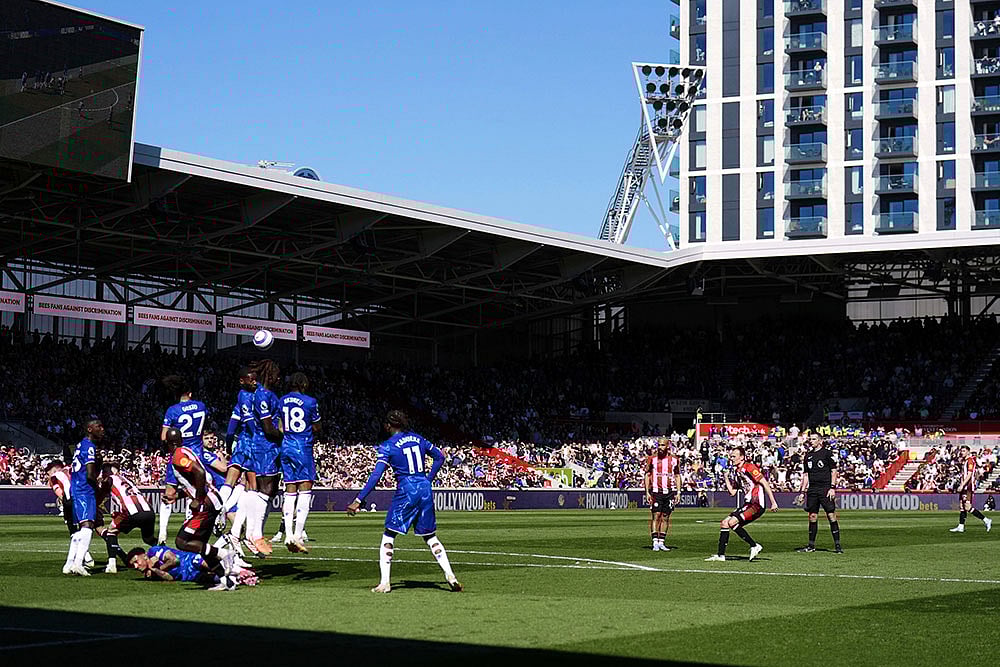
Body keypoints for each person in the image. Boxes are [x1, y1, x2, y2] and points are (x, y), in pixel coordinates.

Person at [347, 410, 462, 594]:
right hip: (424, 487)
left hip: (407, 489)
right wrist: (428, 479)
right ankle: (450, 575)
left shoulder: (388, 446)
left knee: (389, 534)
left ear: (388, 425)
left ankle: (385, 583)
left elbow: (377, 475)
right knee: (430, 536)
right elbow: (440, 457)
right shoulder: (418, 438)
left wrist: (359, 499)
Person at [164, 426, 238, 590]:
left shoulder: (178, 455)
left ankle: (224, 554)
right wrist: (178, 496)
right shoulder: (187, 451)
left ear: (168, 443)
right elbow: (194, 481)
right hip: (211, 499)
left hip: (206, 502)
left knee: (182, 541)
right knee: (201, 545)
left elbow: (200, 473)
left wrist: (197, 499)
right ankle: (226, 582)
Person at [158, 375, 227, 545]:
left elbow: (163, 436)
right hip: (198, 453)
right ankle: (204, 523)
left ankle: (162, 534)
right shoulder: (201, 406)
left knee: (169, 494)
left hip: (180, 453)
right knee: (200, 488)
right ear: (190, 393)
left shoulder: (172, 410)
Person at [706, 446, 778, 562]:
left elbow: (764, 482)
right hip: (748, 503)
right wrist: (725, 477)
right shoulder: (737, 472)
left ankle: (754, 546)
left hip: (756, 503)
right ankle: (721, 556)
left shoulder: (749, 467)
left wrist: (773, 502)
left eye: (734, 456)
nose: (732, 458)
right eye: (731, 456)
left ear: (742, 457)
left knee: (732, 522)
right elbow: (732, 492)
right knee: (725, 523)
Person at [278, 372, 321, 553]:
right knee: (305, 489)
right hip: (302, 447)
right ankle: (296, 535)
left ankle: (287, 534)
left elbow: (280, 426)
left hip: (286, 446)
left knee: (289, 489)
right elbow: (318, 426)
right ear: (304, 384)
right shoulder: (310, 401)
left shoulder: (281, 401)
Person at [246, 359, 284, 555]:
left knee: (272, 489)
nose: (279, 378)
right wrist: (286, 436)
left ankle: (255, 532)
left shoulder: (269, 394)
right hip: (264, 446)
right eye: (276, 374)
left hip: (271, 447)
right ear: (270, 375)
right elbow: (268, 428)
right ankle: (255, 534)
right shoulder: (261, 395)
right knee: (266, 488)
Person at [96, 462, 156, 573]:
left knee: (111, 532)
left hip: (131, 512)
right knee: (149, 539)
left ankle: (112, 564)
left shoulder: (109, 479)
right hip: (149, 511)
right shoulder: (127, 479)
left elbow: (100, 497)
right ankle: (162, 552)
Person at [65, 419, 103, 576]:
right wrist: (97, 487)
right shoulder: (89, 447)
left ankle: (69, 564)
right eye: (98, 427)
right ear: (89, 429)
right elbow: (89, 474)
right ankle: (79, 563)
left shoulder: (80, 445)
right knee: (88, 526)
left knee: (81, 528)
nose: (102, 429)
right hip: (84, 490)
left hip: (75, 489)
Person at [795, 435, 843, 553]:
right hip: (813, 489)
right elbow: (806, 475)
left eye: (814, 439)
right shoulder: (808, 456)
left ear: (820, 441)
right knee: (812, 516)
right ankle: (811, 546)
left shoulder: (827, 453)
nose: (811, 441)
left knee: (831, 515)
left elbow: (834, 471)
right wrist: (802, 492)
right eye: (810, 439)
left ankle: (837, 546)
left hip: (825, 488)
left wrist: (832, 487)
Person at [44, 459, 94, 572]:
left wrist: (65, 503)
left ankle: (83, 559)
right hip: (83, 497)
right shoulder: (72, 469)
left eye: (49, 472)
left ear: (55, 469)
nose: (48, 475)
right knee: (85, 528)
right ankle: (85, 559)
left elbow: (60, 494)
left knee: (73, 531)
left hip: (70, 500)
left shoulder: (54, 477)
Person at [127, 546, 257, 587]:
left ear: (143, 556)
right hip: (188, 576)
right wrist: (155, 571)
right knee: (208, 580)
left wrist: (158, 569)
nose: (136, 566)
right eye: (133, 565)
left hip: (188, 560)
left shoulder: (153, 551)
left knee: (203, 564)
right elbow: (170, 578)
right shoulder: (150, 573)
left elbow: (174, 560)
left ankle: (240, 570)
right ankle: (239, 579)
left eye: (135, 561)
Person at [645, 439, 681, 552]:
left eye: (662, 445)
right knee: (656, 515)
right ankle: (655, 542)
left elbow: (677, 476)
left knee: (666, 516)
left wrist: (678, 492)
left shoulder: (674, 459)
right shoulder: (652, 459)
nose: (660, 447)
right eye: (658, 445)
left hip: (669, 492)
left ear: (667, 446)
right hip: (656, 491)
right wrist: (647, 491)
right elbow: (647, 474)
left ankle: (662, 542)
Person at [950, 446, 992, 533]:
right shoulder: (965, 461)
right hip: (964, 486)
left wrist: (962, 485)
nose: (962, 452)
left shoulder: (970, 461)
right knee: (962, 506)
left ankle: (986, 520)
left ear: (968, 452)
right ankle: (961, 526)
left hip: (968, 487)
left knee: (968, 507)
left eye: (964, 451)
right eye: (961, 451)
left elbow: (969, 475)